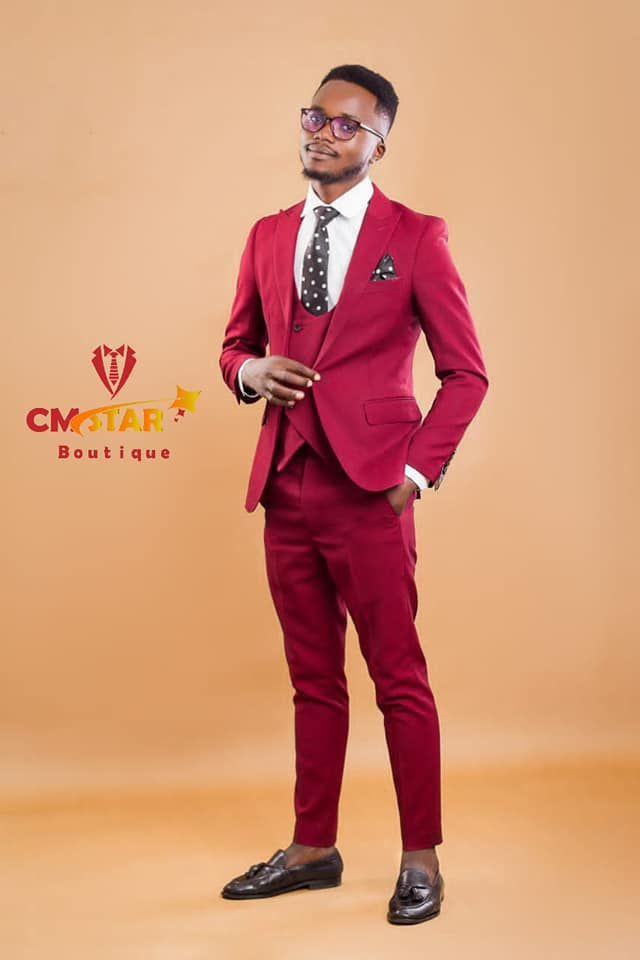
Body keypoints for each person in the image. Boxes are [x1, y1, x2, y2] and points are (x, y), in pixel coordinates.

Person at [218, 63, 489, 924]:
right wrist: (251, 372)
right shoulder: (267, 235)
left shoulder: (416, 237)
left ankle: (420, 856)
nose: (323, 134)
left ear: (379, 144)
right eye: (314, 117)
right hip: (285, 485)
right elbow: (233, 345)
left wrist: (413, 475)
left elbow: (466, 374)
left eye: (346, 125)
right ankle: (312, 848)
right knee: (312, 678)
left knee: (398, 676)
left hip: (373, 491)